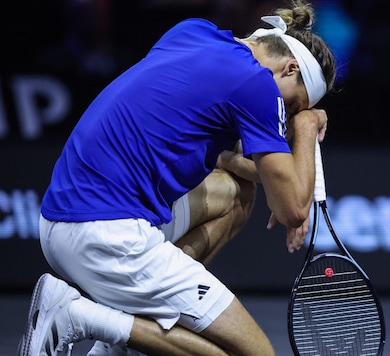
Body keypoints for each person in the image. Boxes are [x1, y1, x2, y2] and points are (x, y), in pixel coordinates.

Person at [18, 0, 336, 354]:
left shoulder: (194, 32)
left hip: (60, 218)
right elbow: (292, 209)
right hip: (105, 236)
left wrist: (280, 178)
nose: (288, 116)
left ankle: (126, 327)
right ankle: (80, 316)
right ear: (290, 68)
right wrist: (306, 127)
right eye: (292, 106)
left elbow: (235, 163)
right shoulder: (257, 85)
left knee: (235, 196)